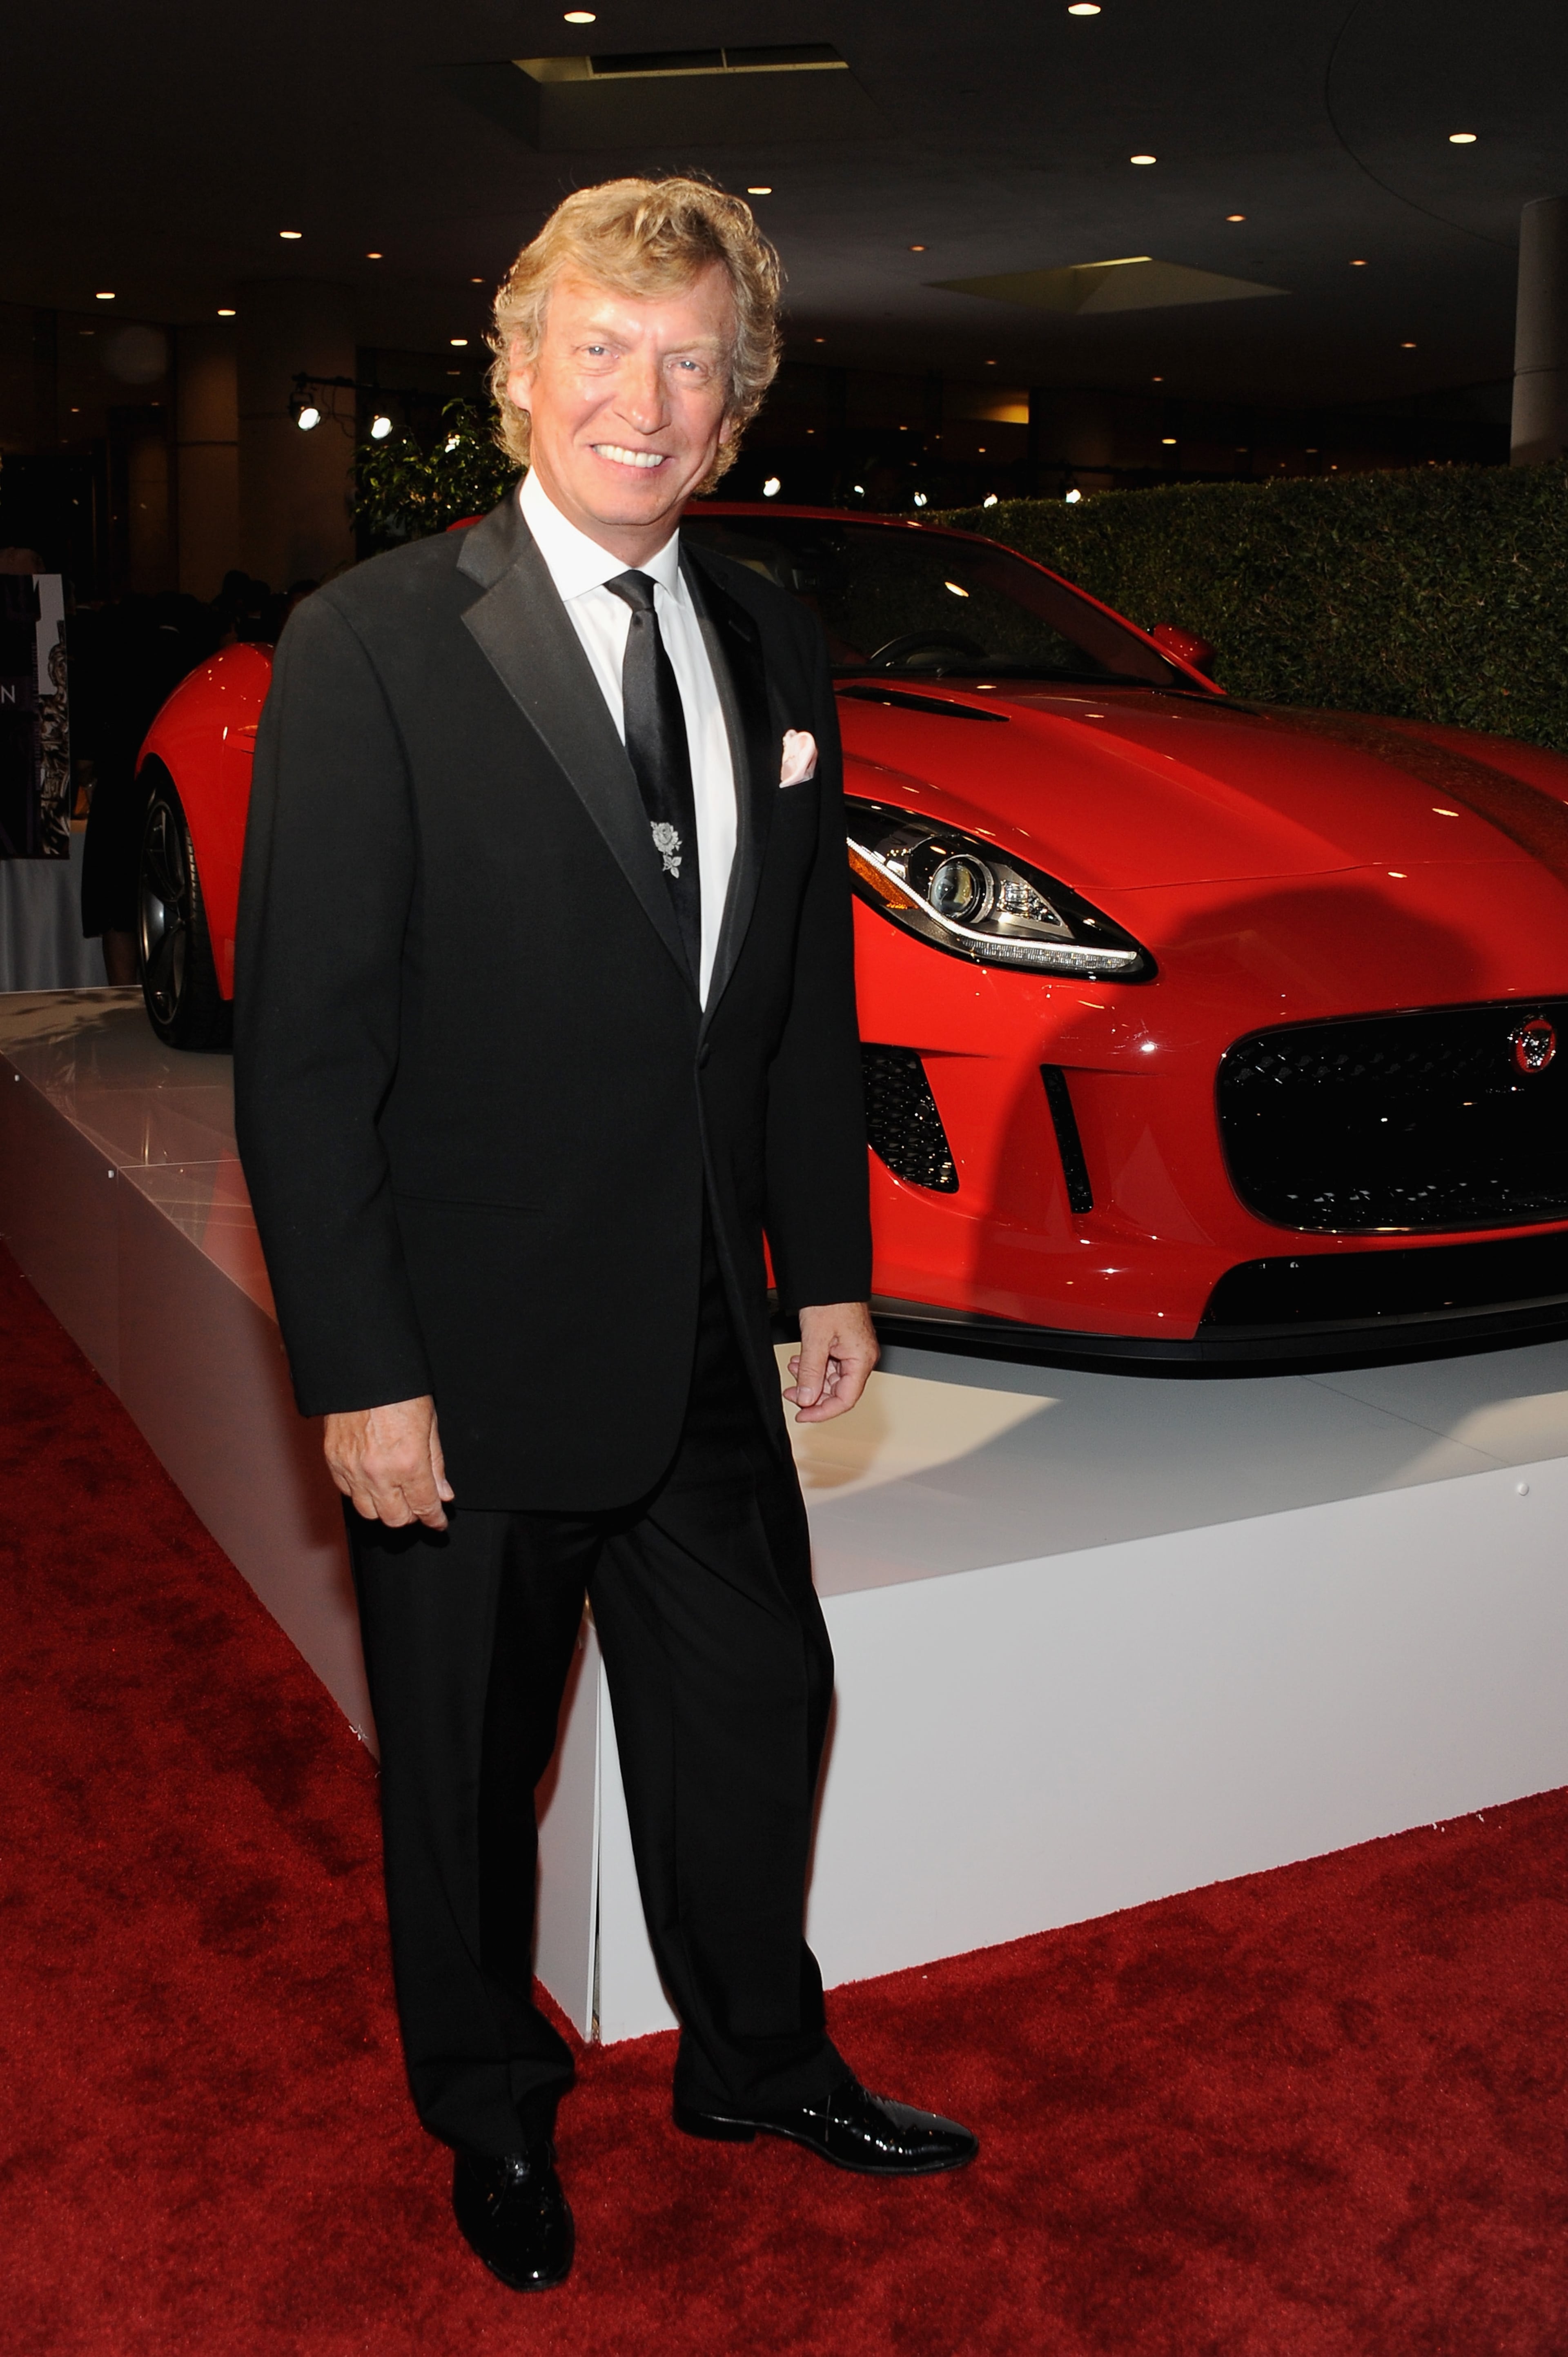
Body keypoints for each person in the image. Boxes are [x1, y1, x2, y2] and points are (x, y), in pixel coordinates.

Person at [233, 175, 977, 2297]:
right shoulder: (373, 644)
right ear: (519, 372)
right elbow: (307, 1053)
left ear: (736, 404)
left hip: (709, 1328)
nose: (642, 403)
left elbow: (798, 986)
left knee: (758, 1710)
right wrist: (360, 1371)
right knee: (470, 1778)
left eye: (690, 365)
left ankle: (755, 2059)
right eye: (602, 350)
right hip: (465, 1358)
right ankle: (490, 2112)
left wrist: (828, 1262)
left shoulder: (769, 631)